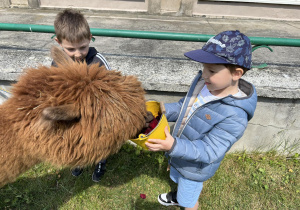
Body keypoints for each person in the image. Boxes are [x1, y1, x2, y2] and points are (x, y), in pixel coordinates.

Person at [145, 30, 257, 209]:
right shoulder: (205, 86)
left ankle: (184, 201)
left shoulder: (235, 115)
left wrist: (173, 146)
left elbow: (209, 151)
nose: (204, 74)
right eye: (204, 67)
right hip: (180, 154)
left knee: (188, 200)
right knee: (178, 179)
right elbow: (184, 108)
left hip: (195, 169)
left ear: (236, 73)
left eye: (211, 70)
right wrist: (164, 110)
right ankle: (178, 194)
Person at [53, 8, 111, 182]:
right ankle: (80, 160)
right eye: (70, 49)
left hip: (96, 113)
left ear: (90, 37)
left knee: (99, 141)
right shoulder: (57, 63)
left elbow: (109, 89)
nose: (78, 54)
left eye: (83, 47)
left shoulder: (98, 60)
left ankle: (101, 160)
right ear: (59, 42)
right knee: (77, 140)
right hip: (72, 115)